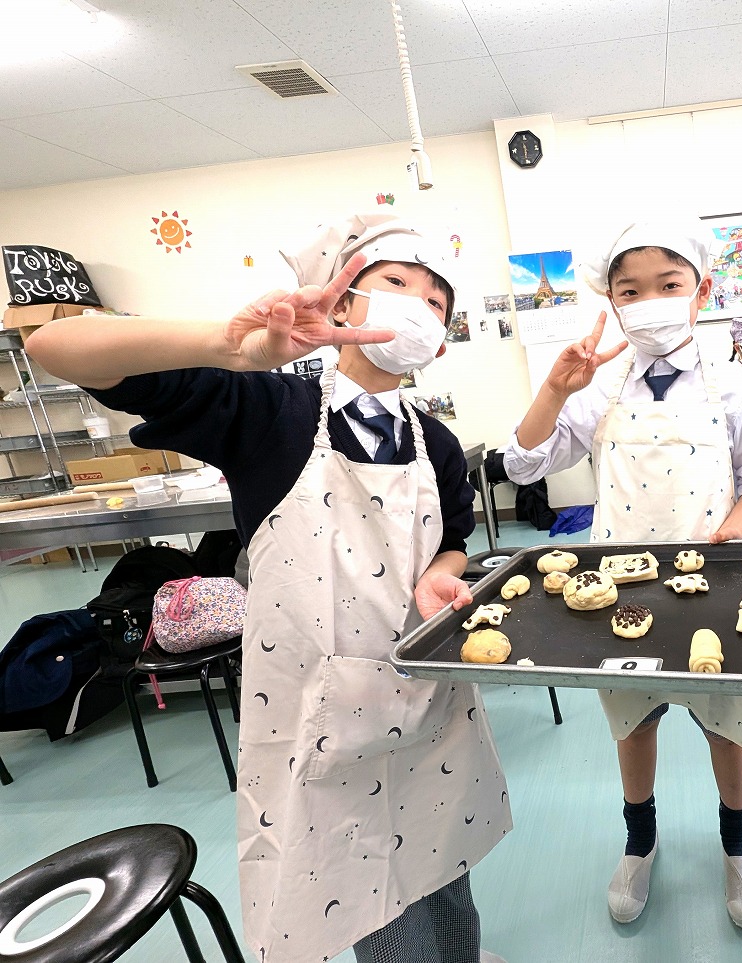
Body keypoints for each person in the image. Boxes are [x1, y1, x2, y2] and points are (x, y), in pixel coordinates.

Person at [26, 214, 511, 963]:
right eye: (397, 282)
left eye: (437, 301)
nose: (420, 306)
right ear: (343, 302)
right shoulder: (266, 411)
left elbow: (451, 541)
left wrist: (439, 577)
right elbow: (54, 347)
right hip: (317, 705)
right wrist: (229, 346)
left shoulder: (437, 443)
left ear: (441, 340)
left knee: (441, 860)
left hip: (425, 691)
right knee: (368, 885)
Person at [504, 220, 742, 930]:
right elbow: (524, 465)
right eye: (630, 290)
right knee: (634, 720)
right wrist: (554, 389)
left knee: (727, 724)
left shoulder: (732, 384)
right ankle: (639, 843)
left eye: (668, 284)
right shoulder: (598, 388)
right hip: (617, 588)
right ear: (611, 300)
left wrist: (732, 531)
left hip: (713, 584)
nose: (650, 301)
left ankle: (739, 849)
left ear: (701, 291)